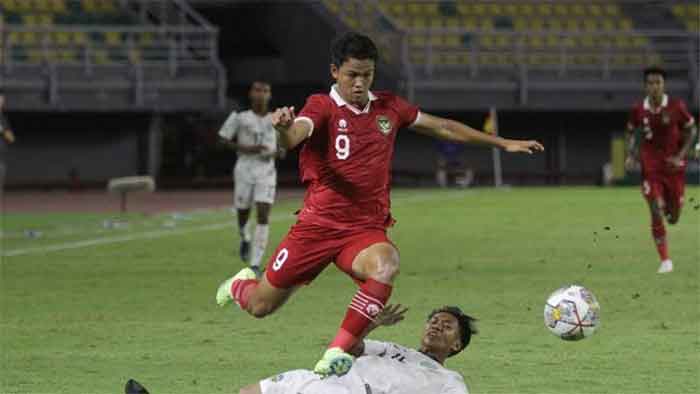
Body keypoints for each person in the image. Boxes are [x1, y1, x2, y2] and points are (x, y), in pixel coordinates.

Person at [216, 32, 543, 376]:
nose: (359, 83)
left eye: (367, 75)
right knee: (260, 306)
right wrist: (282, 130)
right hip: (317, 227)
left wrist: (502, 143)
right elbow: (295, 136)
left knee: (386, 264)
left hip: (364, 230)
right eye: (351, 75)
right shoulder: (322, 106)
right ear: (334, 71)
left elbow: (443, 127)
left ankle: (336, 351)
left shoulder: (389, 107)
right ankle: (240, 283)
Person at [124, 305, 477, 394]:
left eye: (446, 326)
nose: (436, 326)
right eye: (434, 320)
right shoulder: (393, 349)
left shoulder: (450, 380)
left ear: (457, 343)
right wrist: (373, 322)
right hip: (319, 380)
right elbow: (348, 346)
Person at [625, 66, 697, 274]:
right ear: (645, 86)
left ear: (664, 85)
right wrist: (631, 154)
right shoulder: (639, 109)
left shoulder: (676, 106)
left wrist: (681, 155)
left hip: (674, 170)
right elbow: (631, 132)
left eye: (658, 83)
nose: (654, 87)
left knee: (673, 217)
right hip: (651, 170)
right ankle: (665, 260)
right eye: (650, 83)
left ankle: (670, 207)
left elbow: (691, 129)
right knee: (656, 209)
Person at [218, 80, 279, 276]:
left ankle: (255, 263)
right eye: (258, 90)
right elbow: (223, 140)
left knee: (263, 214)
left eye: (265, 90)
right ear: (251, 94)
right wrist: (247, 149)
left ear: (270, 95)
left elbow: (285, 145)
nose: (261, 94)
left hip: (267, 171)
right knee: (243, 211)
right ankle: (244, 236)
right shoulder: (239, 117)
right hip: (244, 168)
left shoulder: (277, 118)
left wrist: (277, 152)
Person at [0, 91, 16, 202]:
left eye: (2, 100)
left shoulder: (3, 119)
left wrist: (2, 130)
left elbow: (11, 138)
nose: (1, 102)